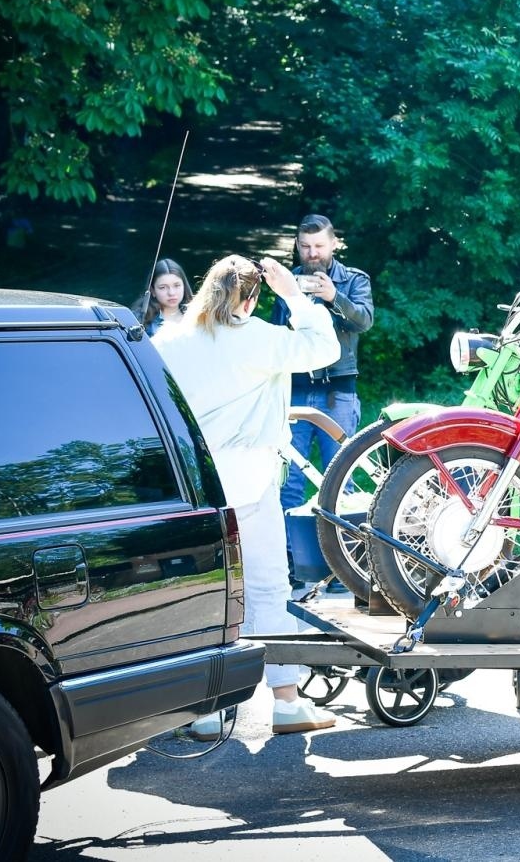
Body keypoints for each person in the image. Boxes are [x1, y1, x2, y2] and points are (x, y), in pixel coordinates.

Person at [152, 253, 340, 736]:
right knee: (267, 587)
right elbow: (325, 348)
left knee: (209, 593)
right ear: (253, 298)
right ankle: (286, 702)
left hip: (195, 487)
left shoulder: (170, 339)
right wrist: (295, 296)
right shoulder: (259, 338)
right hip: (250, 481)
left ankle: (208, 709)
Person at [271, 213, 373, 511]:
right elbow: (277, 335)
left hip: (337, 392)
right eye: (305, 246)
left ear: (333, 244)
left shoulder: (354, 279)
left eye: (318, 246)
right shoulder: (287, 281)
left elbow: (364, 321)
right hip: (295, 389)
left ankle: (341, 552)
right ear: (298, 246)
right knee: (287, 478)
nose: (312, 253)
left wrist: (334, 297)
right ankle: (287, 553)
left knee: (341, 479)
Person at [134, 257, 193, 337]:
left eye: (177, 285)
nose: (171, 293)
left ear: (184, 286)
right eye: (163, 287)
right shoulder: (139, 321)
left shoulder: (197, 317)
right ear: (153, 291)